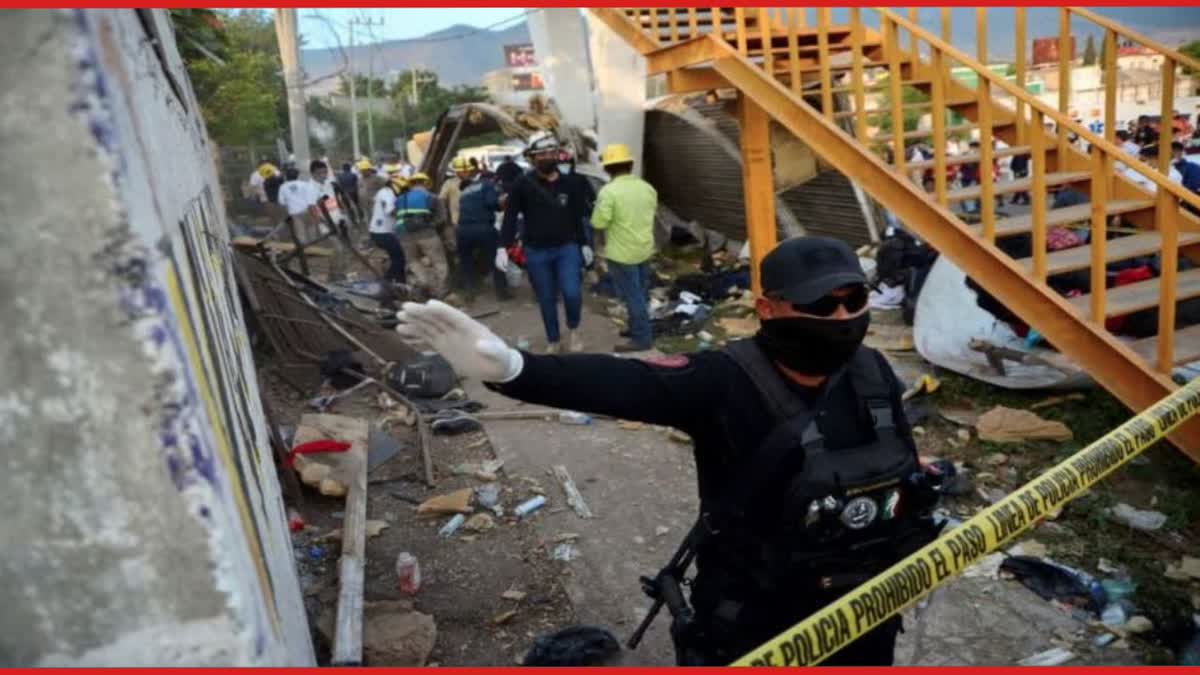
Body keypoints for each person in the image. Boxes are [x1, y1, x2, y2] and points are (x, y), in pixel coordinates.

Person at [395, 235, 940, 666]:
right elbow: (623, 382)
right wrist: (514, 370)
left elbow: (897, 452)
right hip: (759, 616)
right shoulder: (725, 381)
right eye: (822, 303)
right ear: (768, 310)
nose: (843, 318)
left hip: (867, 605)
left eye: (855, 300)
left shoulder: (873, 372)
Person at [496, 132, 594, 353]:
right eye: (543, 154)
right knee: (546, 298)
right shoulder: (522, 184)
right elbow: (510, 218)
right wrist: (502, 246)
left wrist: (584, 244)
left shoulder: (570, 184)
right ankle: (553, 339)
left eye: (552, 152)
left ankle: (574, 329)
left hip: (566, 248)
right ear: (532, 157)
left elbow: (577, 217)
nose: (549, 157)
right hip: (536, 251)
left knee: (572, 293)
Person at [592, 143, 658, 352]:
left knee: (633, 296)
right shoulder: (647, 187)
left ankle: (641, 339)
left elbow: (599, 223)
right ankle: (636, 328)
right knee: (641, 292)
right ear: (629, 164)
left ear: (607, 168)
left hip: (622, 254)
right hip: (644, 249)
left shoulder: (608, 192)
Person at [455, 156, 511, 300]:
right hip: (483, 228)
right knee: (498, 256)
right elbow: (492, 203)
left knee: (465, 260)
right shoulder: (487, 185)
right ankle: (502, 292)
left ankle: (468, 291)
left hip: (462, 230)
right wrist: (503, 201)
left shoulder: (465, 191)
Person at [396, 172, 450, 299]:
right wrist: (433, 226)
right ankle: (440, 292)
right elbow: (442, 218)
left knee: (413, 262)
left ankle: (422, 285)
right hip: (427, 235)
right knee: (439, 263)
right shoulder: (432, 197)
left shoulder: (400, 199)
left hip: (404, 236)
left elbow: (397, 216)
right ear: (426, 183)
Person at [369, 170, 408, 285]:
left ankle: (401, 282)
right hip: (382, 232)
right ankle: (386, 282)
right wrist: (406, 215)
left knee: (397, 256)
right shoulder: (388, 194)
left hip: (381, 230)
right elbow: (391, 211)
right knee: (399, 258)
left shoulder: (382, 192)